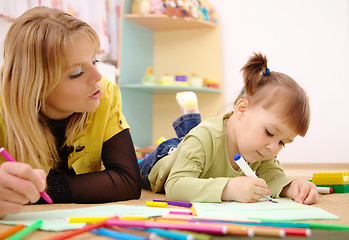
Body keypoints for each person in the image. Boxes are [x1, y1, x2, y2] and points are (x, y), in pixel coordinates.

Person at [0, 6, 141, 218]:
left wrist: (46, 190)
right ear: (35, 85)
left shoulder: (104, 93)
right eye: (76, 73)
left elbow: (128, 180)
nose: (97, 76)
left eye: (95, 60)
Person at [139, 52, 319, 205]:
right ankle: (190, 118)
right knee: (137, 167)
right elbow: (175, 186)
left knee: (195, 142)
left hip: (199, 149)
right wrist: (229, 189)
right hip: (160, 161)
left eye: (283, 142)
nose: (273, 147)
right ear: (242, 110)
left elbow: (273, 179)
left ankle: (190, 118)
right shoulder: (203, 138)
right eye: (270, 133)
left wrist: (292, 186)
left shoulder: (262, 149)